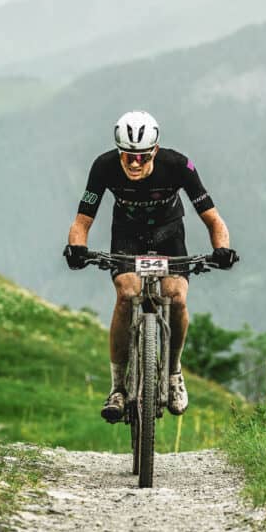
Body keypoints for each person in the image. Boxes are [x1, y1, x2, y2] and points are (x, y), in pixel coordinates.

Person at [64, 110, 238, 423]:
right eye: (127, 155)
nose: (134, 163)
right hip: (128, 236)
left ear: (154, 151)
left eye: (142, 156)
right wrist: (77, 248)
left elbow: (213, 218)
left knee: (176, 297)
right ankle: (118, 387)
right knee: (126, 293)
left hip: (169, 235)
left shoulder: (179, 166)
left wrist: (221, 249)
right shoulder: (103, 166)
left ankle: (173, 374)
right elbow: (82, 221)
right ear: (119, 152)